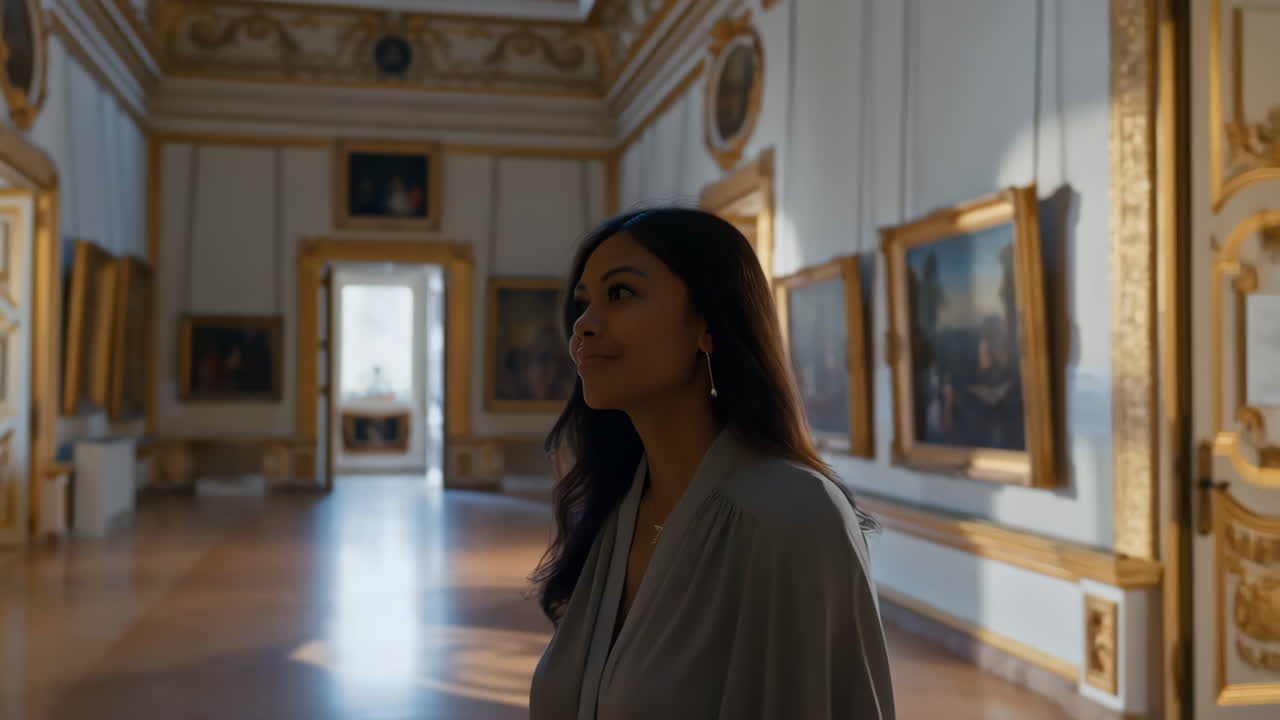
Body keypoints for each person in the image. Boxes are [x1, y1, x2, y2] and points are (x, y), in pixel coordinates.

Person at [528, 208, 895, 719]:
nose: (582, 327)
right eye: (583, 304)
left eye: (621, 293)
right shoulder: (619, 510)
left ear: (708, 324)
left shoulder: (792, 515)